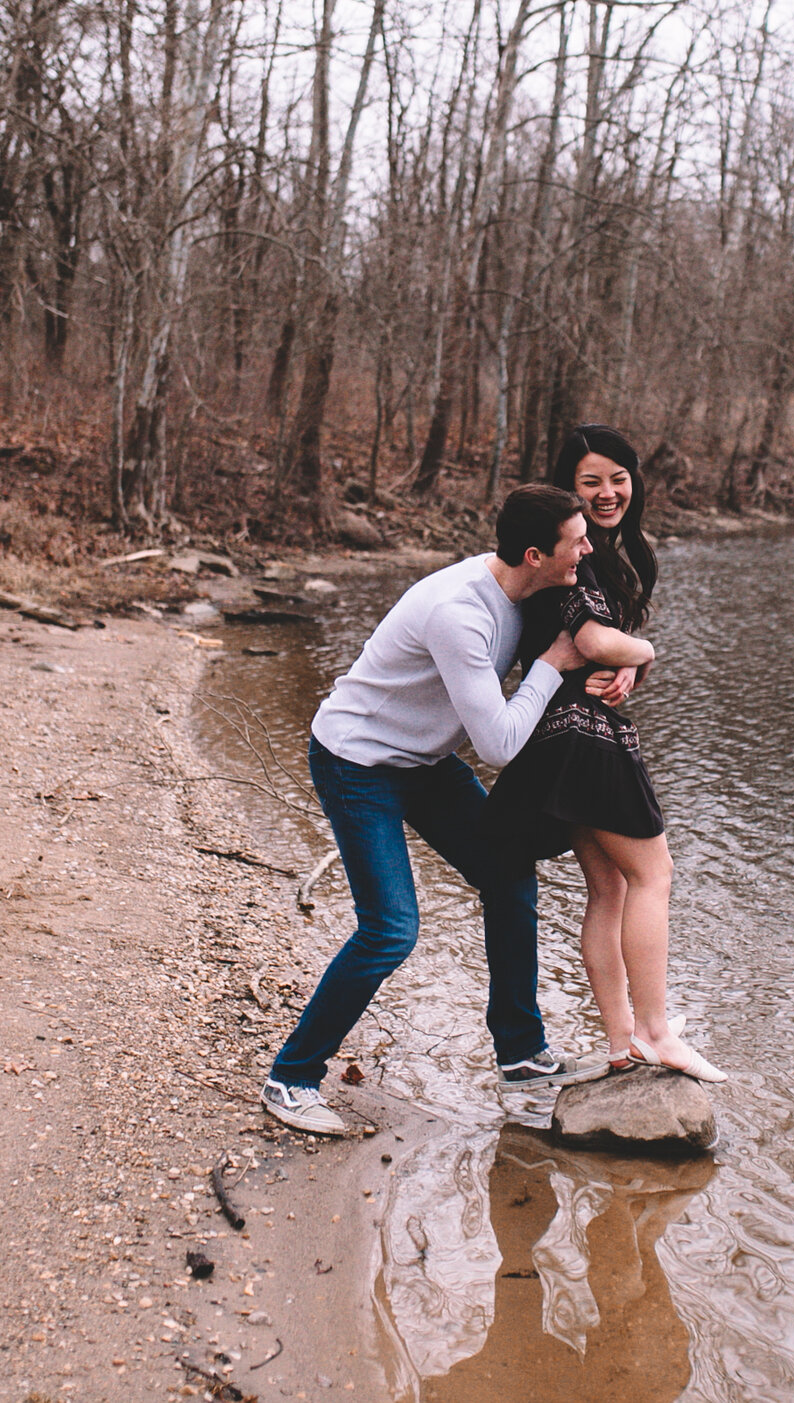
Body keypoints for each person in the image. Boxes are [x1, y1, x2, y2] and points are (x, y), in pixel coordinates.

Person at [261, 484, 610, 1137]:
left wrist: (620, 668)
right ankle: (291, 1076)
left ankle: (522, 1055)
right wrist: (552, 662)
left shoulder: (526, 585)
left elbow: (604, 617)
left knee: (509, 875)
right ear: (535, 553)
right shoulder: (460, 611)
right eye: (576, 540)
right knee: (391, 926)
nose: (587, 549)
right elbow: (500, 744)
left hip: (421, 762)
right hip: (356, 759)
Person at [485, 425, 726, 1083]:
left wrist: (629, 672)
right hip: (584, 741)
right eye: (591, 481)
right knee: (654, 874)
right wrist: (643, 653)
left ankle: (623, 1041)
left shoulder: (595, 551)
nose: (608, 491)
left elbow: (593, 646)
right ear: (570, 488)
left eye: (618, 477)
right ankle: (653, 1031)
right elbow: (590, 636)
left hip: (560, 735)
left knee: (612, 885)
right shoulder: (577, 555)